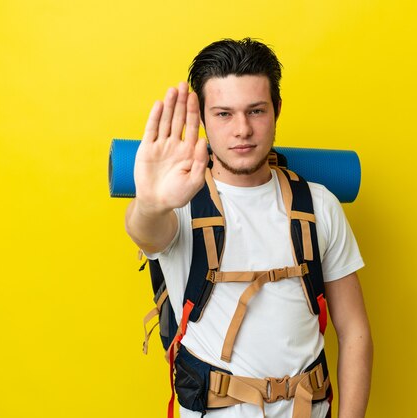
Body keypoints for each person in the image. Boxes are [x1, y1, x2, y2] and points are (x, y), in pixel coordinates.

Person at [125, 38, 372, 418]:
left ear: (277, 110)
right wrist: (151, 203)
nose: (242, 129)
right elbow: (146, 230)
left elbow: (354, 330)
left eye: (256, 111)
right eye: (224, 114)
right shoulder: (179, 204)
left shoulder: (318, 204)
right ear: (203, 119)